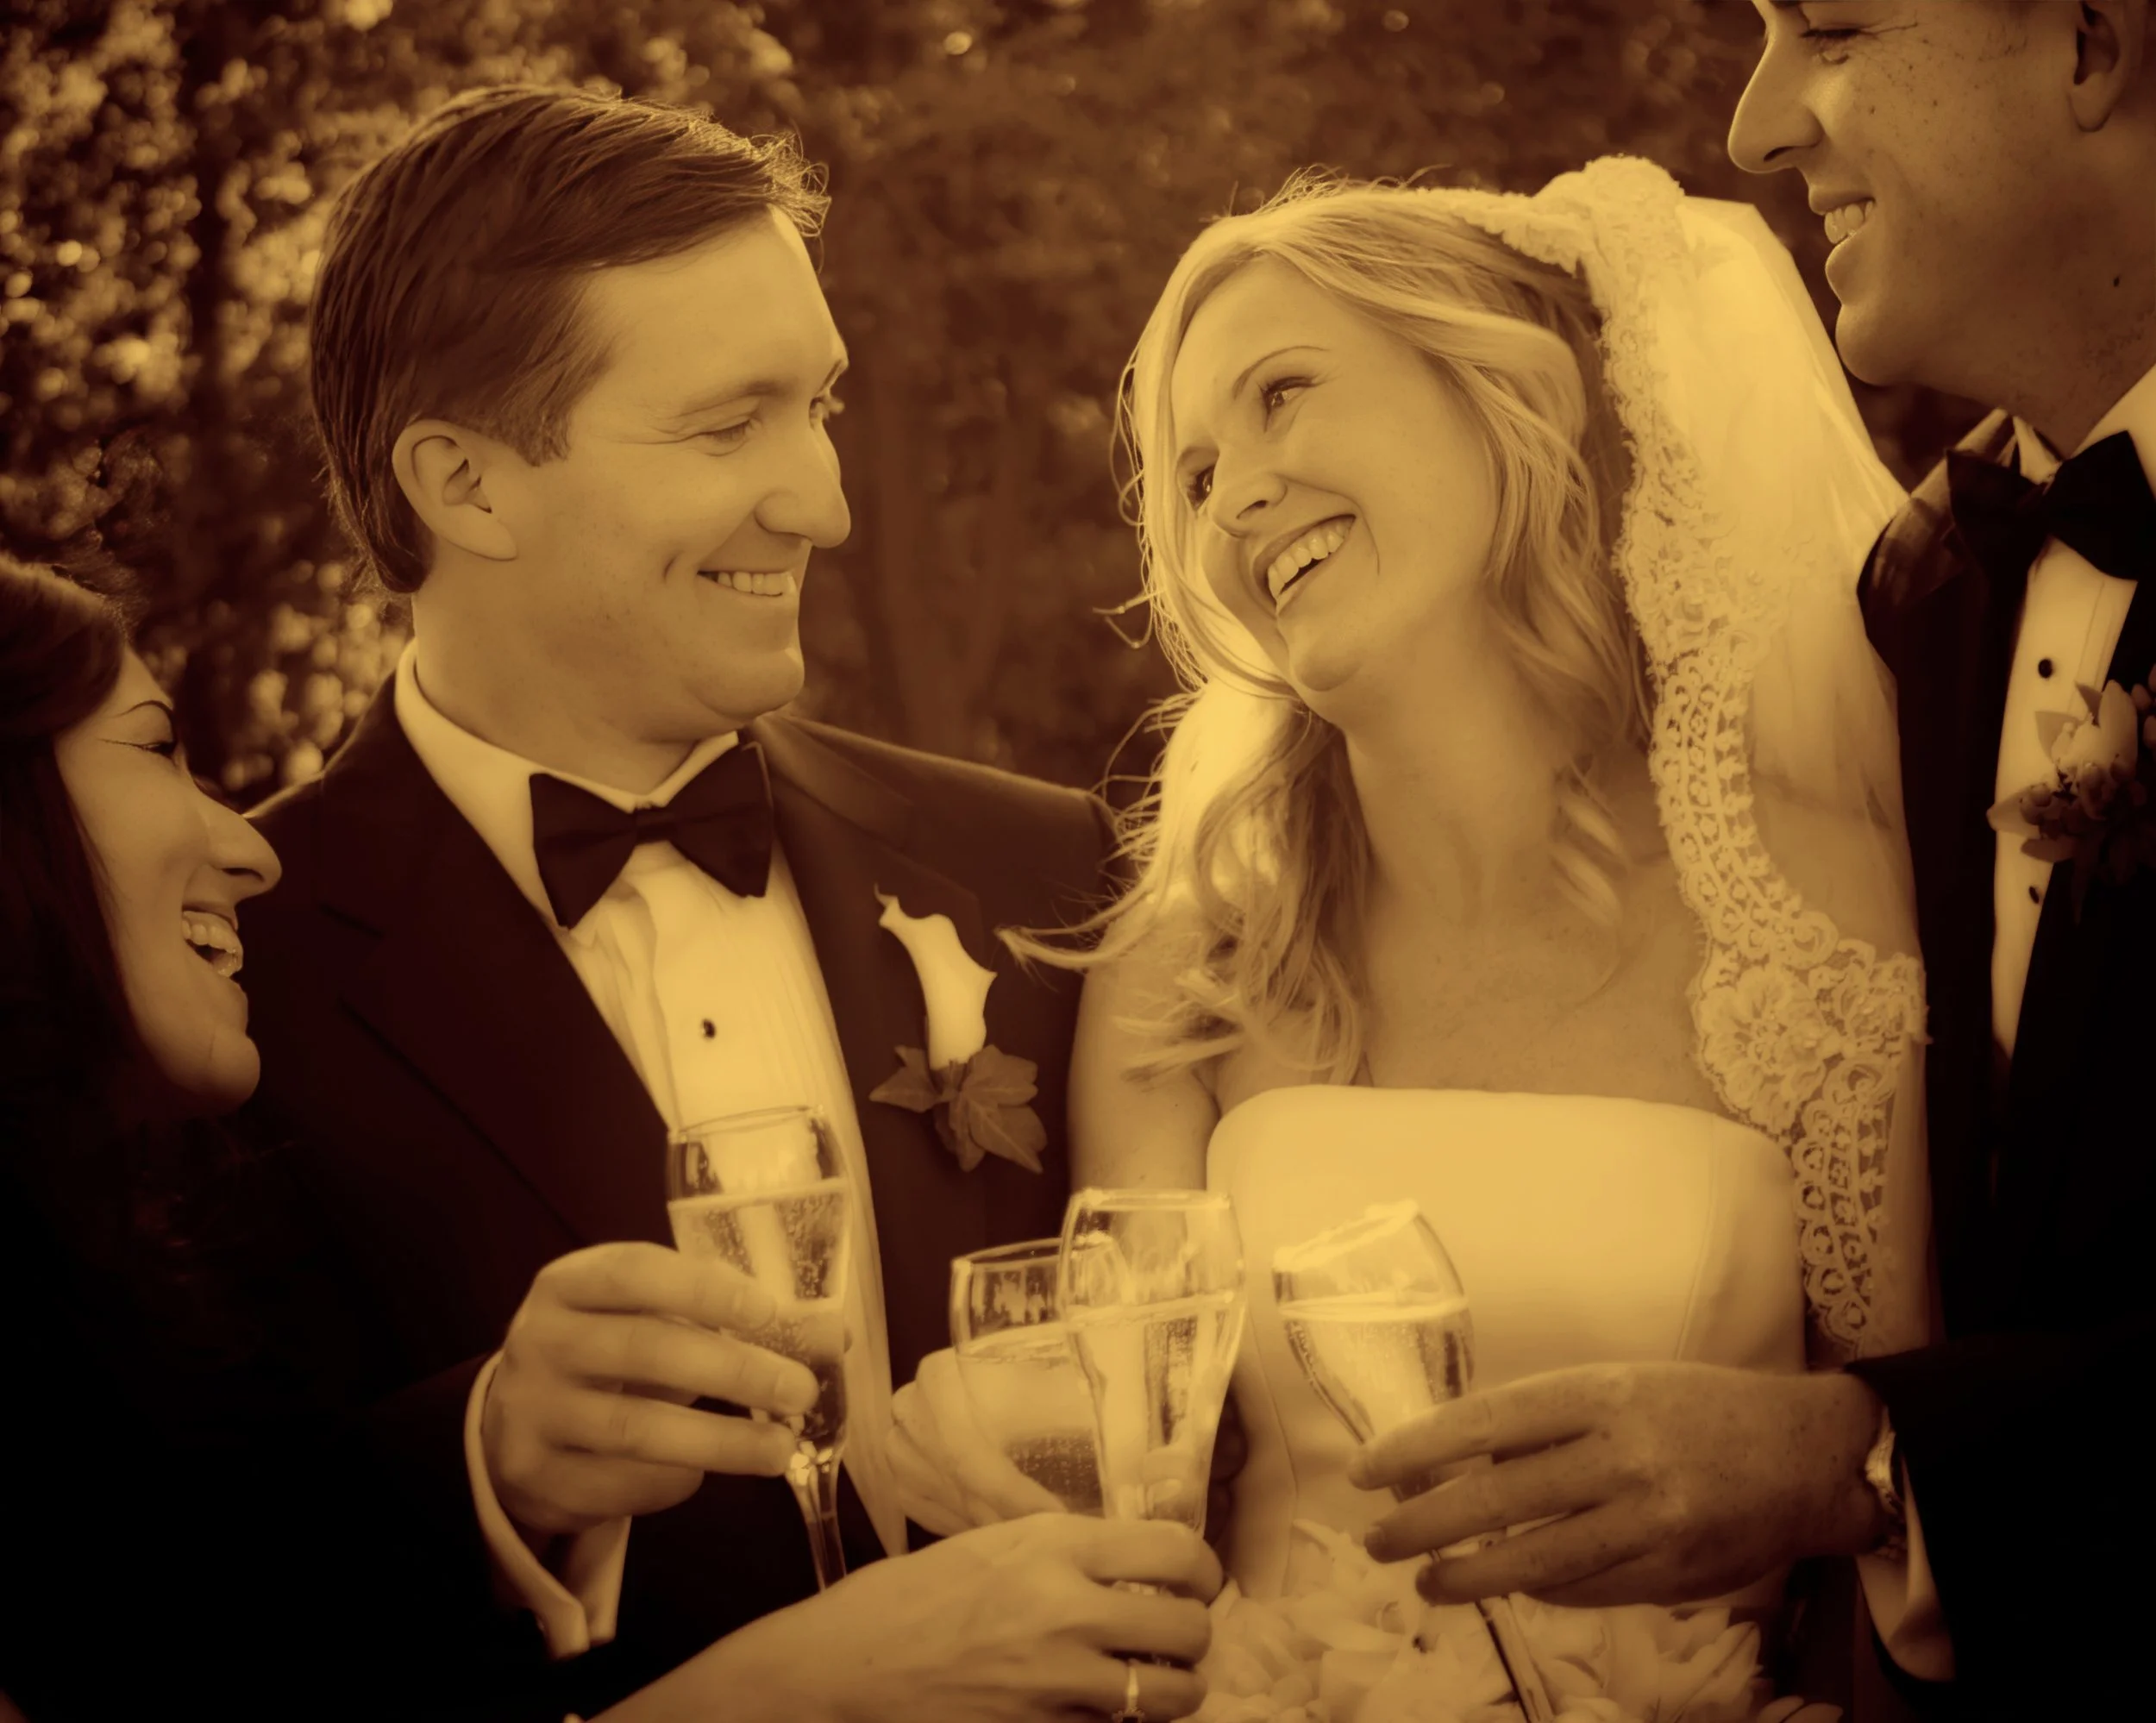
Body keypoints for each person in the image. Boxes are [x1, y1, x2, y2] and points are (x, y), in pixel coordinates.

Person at [890, 155, 1931, 1719]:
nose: (1231, 494)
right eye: (1186, 472)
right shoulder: (1194, 956)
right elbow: (1131, 1487)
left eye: (1282, 396)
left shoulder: (1815, 893)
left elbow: (1921, 1472)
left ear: (1506, 397)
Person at [235, 82, 1219, 1722]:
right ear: (466, 486)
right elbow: (163, 1593)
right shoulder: (224, 988)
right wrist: (484, 1468)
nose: (820, 500)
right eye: (725, 425)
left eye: (817, 406)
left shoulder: (1057, 877)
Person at [1719, 2, 2156, 1715]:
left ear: (2082, 47)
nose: (1756, 127)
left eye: (1826, 27)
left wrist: (1868, 1460)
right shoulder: (1916, 590)